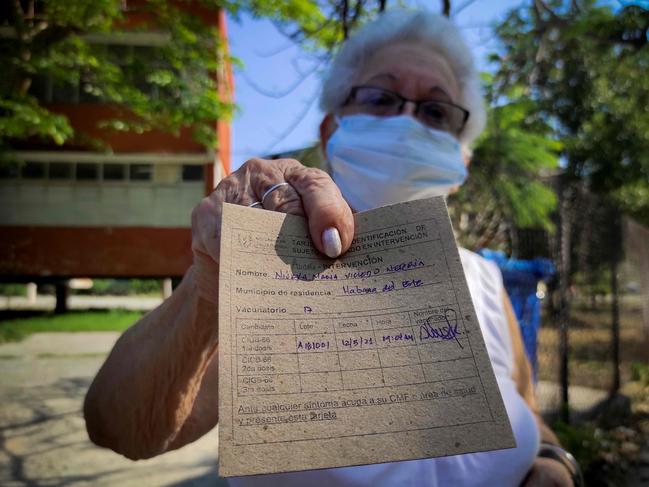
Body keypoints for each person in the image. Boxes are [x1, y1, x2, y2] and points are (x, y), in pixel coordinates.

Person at [84, 10, 581, 487]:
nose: (408, 121)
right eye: (382, 97)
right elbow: (121, 428)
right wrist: (209, 291)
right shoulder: (268, 260)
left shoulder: (485, 280)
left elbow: (528, 410)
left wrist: (553, 461)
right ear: (330, 129)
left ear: (462, 160)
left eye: (435, 110)